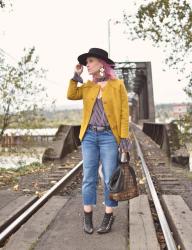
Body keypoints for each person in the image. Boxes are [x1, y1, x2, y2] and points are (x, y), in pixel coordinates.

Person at [67, 48, 132, 234]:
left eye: (90, 61)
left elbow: (123, 113)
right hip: (88, 136)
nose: (87, 65)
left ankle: (108, 215)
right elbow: (71, 95)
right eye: (86, 62)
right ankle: (87, 217)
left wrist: (124, 141)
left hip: (109, 137)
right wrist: (76, 75)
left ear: (101, 64)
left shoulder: (117, 85)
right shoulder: (88, 86)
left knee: (110, 177)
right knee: (89, 177)